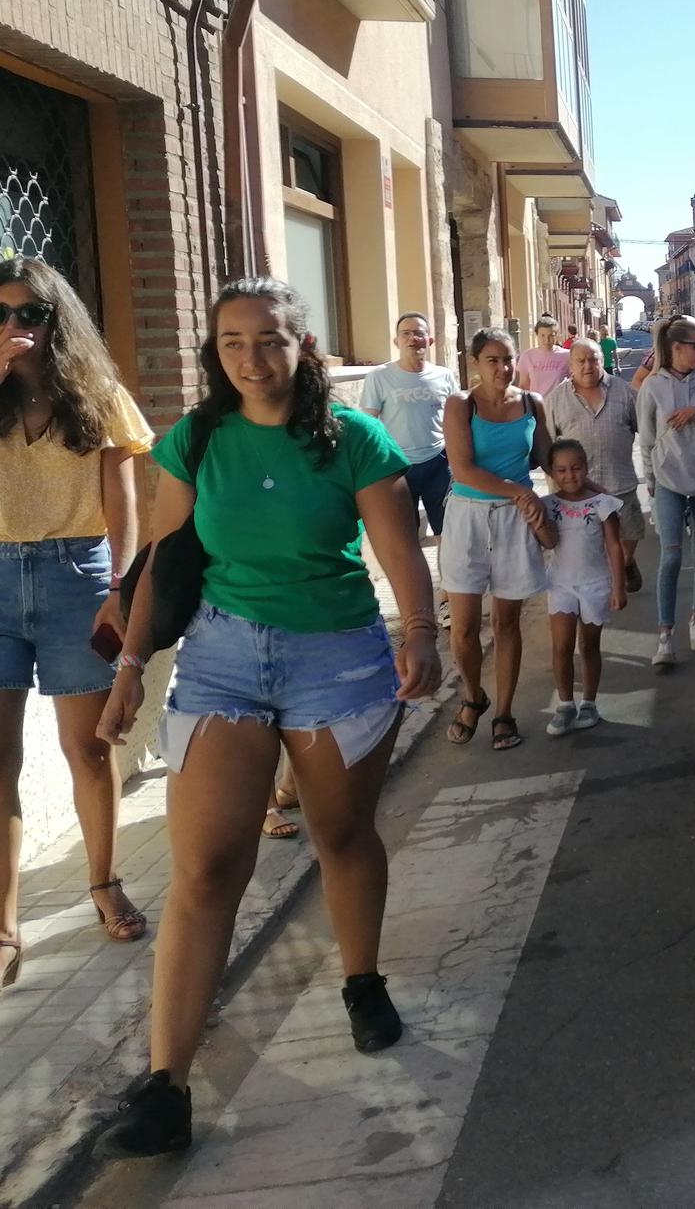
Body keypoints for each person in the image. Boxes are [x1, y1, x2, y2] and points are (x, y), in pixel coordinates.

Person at [95, 277, 439, 1156]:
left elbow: (398, 552)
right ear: (216, 352)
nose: (252, 358)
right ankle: (165, 1086)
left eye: (270, 340)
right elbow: (164, 561)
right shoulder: (196, 439)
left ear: (302, 346)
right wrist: (132, 667)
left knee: (341, 834)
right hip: (221, 658)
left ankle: (361, 982)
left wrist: (425, 637)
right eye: (234, 342)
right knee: (207, 869)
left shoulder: (353, 439)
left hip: (339, 656)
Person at [0, 258, 153, 981]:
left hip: (76, 577)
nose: (15, 328)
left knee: (87, 748)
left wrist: (120, 589)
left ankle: (101, 878)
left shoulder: (97, 393)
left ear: (58, 319)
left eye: (31, 314)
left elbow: (123, 499)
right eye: (2, 315)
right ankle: (4, 919)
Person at [440, 329, 551, 752]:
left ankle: (504, 712)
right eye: (493, 360)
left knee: (507, 623)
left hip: (514, 521)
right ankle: (473, 696)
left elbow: (545, 457)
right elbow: (463, 470)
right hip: (468, 518)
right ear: (475, 363)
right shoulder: (460, 405)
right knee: (464, 628)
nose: (503, 368)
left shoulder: (530, 403)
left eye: (508, 359)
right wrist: (520, 492)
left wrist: (583, 483)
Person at [637, 316, 695, 669]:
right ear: (676, 348)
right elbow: (647, 438)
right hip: (669, 480)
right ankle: (665, 634)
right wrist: (651, 481)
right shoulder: (653, 387)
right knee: (671, 556)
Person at [527, 439, 625, 737]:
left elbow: (614, 546)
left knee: (590, 646)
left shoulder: (602, 504)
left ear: (587, 467)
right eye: (562, 470)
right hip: (561, 584)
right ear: (553, 473)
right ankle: (565, 703)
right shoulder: (547, 505)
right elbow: (543, 541)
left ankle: (589, 703)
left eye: (576, 468)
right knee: (561, 646)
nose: (570, 475)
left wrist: (618, 587)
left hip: (596, 584)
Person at [544, 338, 644, 593]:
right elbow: (547, 445)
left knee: (629, 536)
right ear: (571, 365)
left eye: (593, 359)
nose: (588, 366)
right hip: (577, 494)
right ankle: (604, 585)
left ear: (602, 361)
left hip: (620, 485)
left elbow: (641, 428)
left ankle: (626, 563)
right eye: (581, 361)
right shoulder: (555, 399)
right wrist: (555, 484)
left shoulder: (624, 393)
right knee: (587, 548)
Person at [358, 312, 456, 537]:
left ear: (430, 340)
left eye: (419, 333)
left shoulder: (444, 376)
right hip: (397, 467)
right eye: (406, 333)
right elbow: (369, 424)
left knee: (447, 534)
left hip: (438, 464)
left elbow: (455, 421)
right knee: (404, 537)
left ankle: (447, 574)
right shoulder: (379, 376)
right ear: (396, 341)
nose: (413, 338)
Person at [516, 316, 570, 399]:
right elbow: (523, 386)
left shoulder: (567, 355)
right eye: (542, 335)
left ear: (556, 335)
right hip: (536, 407)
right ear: (537, 335)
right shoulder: (527, 356)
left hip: (560, 407)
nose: (547, 340)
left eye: (551, 335)